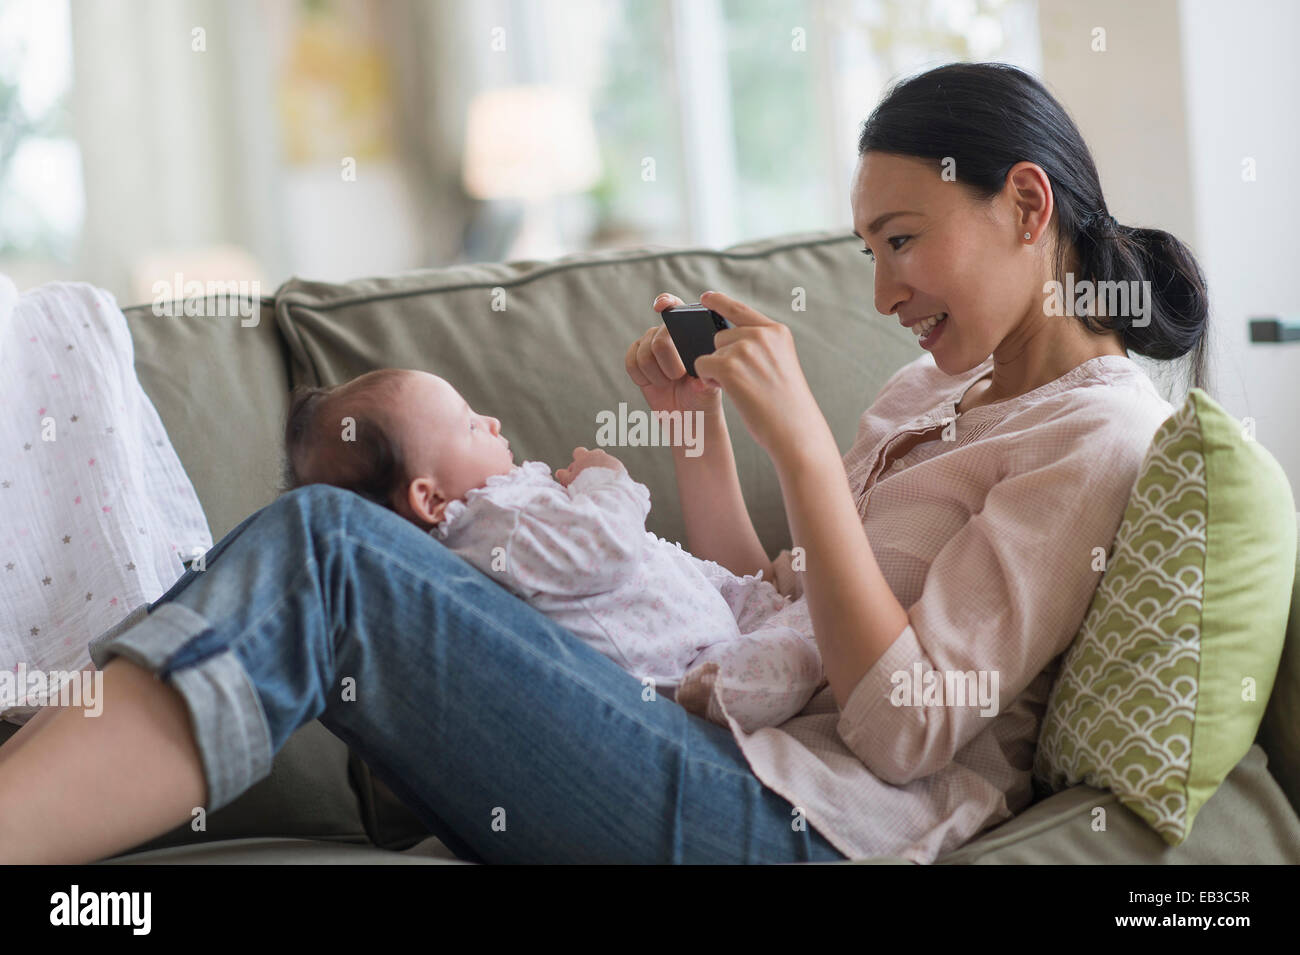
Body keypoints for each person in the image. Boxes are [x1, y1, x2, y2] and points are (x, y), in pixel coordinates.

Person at [0, 61, 1208, 865]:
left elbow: (904, 729)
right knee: (342, 556)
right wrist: (699, 433)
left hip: (809, 826)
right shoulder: (928, 392)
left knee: (334, 553)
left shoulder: (1093, 437)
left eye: (902, 242)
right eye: (869, 249)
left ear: (1027, 204)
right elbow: (766, 607)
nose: (883, 290)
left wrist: (797, 435)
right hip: (731, 741)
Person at [281, 367, 823, 731]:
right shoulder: (496, 525)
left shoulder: (502, 511)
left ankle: (783, 633)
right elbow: (609, 546)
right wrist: (605, 481)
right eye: (469, 425)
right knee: (802, 653)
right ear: (429, 498)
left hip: (709, 619)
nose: (491, 422)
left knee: (795, 615)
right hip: (685, 667)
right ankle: (732, 689)